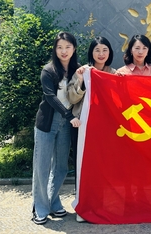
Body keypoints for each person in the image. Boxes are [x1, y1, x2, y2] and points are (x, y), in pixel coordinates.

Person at [32, 31, 81, 225]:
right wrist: (69, 116)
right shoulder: (48, 70)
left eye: (68, 47)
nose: (64, 51)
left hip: (67, 124)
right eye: (60, 47)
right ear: (55, 49)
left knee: (61, 166)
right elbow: (50, 97)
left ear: (74, 49)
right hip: (47, 123)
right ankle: (40, 208)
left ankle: (53, 202)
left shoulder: (77, 70)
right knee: (42, 166)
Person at [67, 36, 116, 223]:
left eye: (105, 50)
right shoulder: (83, 71)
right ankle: (83, 207)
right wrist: (80, 81)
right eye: (97, 50)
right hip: (83, 127)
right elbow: (72, 98)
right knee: (83, 167)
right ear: (91, 52)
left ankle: (100, 205)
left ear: (110, 52)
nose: (101, 54)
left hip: (105, 129)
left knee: (101, 168)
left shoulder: (114, 73)